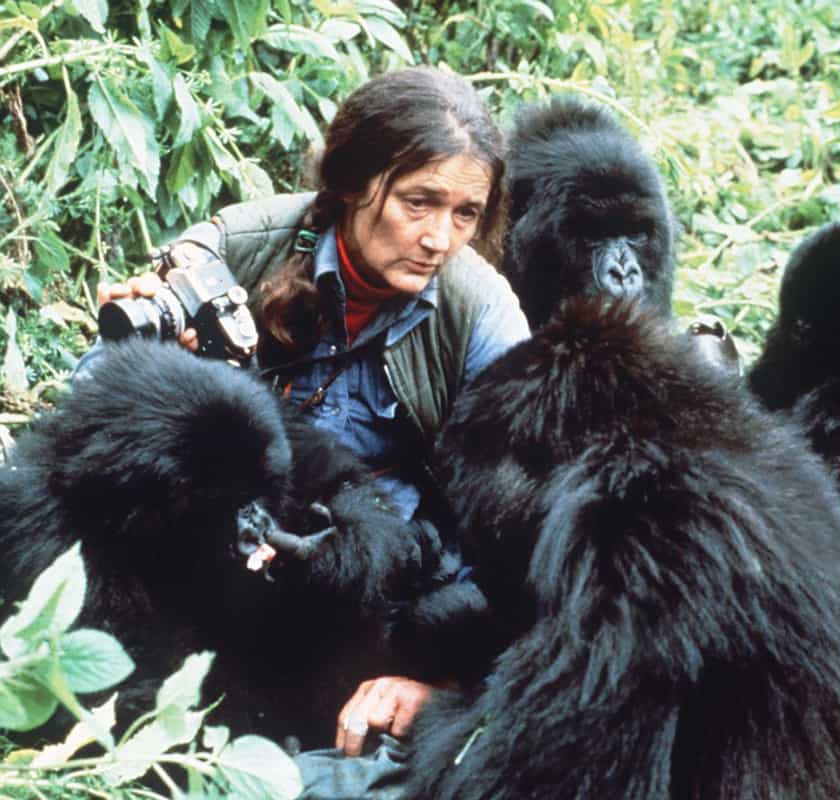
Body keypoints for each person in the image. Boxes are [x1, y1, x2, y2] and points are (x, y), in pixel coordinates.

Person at [91, 67, 529, 780]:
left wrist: (448, 685)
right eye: (419, 203)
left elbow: (520, 539)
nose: (439, 239)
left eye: (465, 214)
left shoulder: (481, 315)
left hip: (376, 584)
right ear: (356, 182)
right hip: (221, 553)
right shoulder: (238, 245)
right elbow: (96, 413)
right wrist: (157, 364)